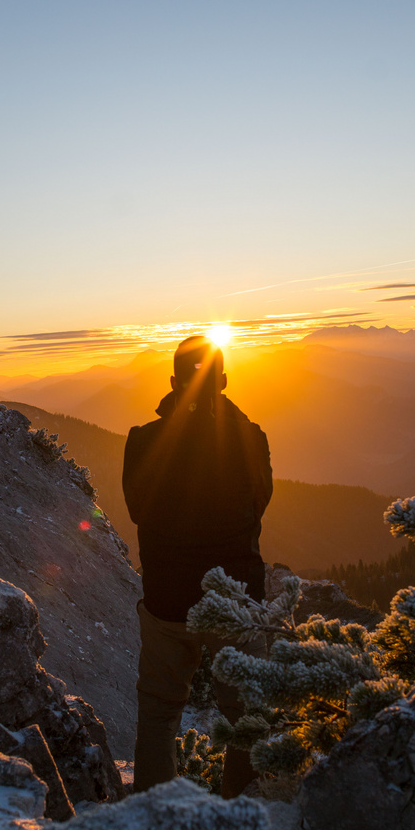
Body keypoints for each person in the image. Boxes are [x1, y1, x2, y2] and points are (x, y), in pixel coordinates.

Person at [122, 334, 273, 797]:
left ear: (171, 381)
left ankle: (155, 817)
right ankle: (238, 813)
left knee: (160, 712)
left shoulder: (144, 441)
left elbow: (135, 508)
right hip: (235, 601)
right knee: (247, 713)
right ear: (224, 381)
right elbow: (260, 499)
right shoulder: (249, 438)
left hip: (167, 602)